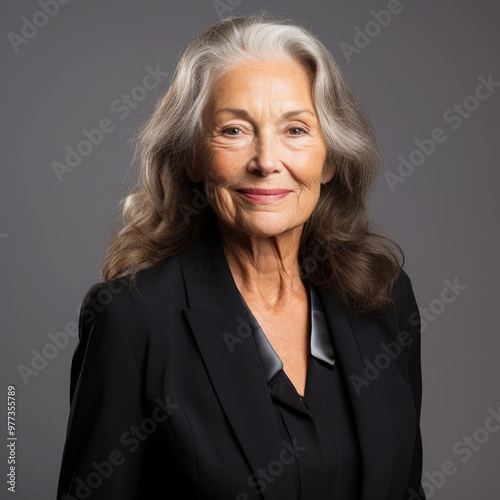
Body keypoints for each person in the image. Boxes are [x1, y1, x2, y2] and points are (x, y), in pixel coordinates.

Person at [56, 12, 424, 500]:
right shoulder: (130, 323)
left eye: (295, 129)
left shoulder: (384, 299)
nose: (266, 160)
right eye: (233, 131)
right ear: (192, 156)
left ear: (330, 158)